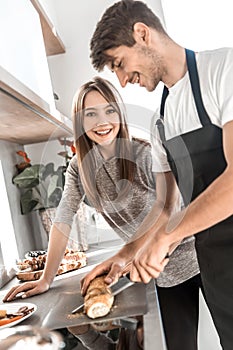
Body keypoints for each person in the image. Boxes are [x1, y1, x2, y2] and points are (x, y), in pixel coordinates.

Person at [3, 77, 200, 350]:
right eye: (90, 114)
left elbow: (173, 212)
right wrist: (46, 278)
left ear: (119, 112)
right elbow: (63, 218)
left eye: (109, 110)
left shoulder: (143, 154)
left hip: (191, 259)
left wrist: (141, 255)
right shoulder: (79, 167)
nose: (102, 121)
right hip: (152, 270)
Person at [80, 1, 233, 349]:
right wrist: (124, 255)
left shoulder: (223, 70)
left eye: (119, 64)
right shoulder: (160, 120)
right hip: (218, 269)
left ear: (142, 34)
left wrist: (166, 240)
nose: (121, 80)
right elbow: (163, 209)